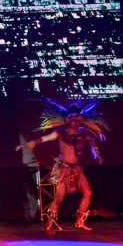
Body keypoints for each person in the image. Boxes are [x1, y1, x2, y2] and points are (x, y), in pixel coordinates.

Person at [16, 99, 108, 233]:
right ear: (68, 121)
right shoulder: (61, 133)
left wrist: (96, 153)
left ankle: (79, 221)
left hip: (77, 168)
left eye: (78, 120)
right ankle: (49, 225)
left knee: (88, 193)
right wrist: (28, 144)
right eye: (73, 120)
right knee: (60, 197)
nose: (76, 123)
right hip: (63, 168)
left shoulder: (83, 133)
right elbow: (45, 139)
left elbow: (92, 142)